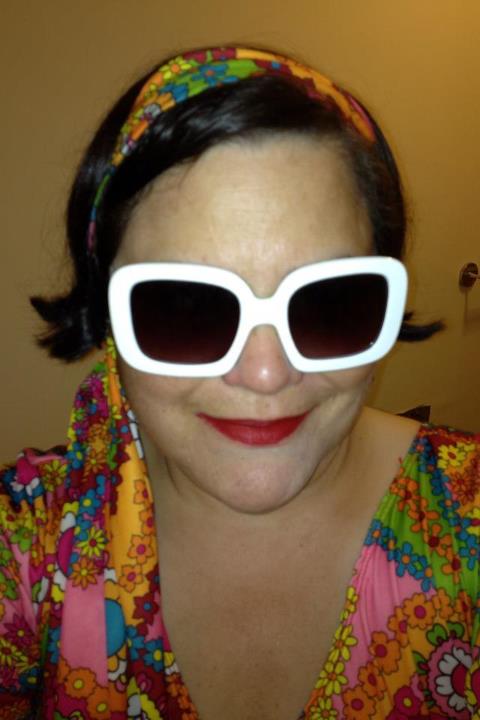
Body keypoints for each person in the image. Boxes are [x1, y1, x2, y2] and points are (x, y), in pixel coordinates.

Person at [0, 45, 478, 720]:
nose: (265, 374)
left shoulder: (468, 523)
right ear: (106, 314)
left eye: (327, 302)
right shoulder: (27, 547)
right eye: (186, 307)